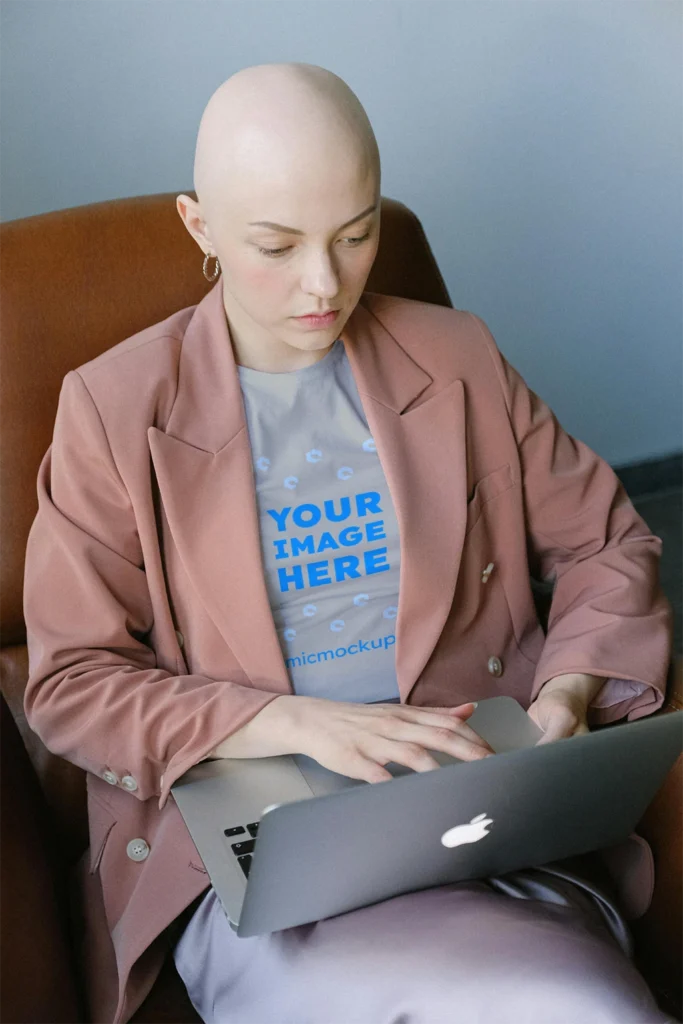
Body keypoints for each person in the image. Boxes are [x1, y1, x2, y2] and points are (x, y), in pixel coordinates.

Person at [22, 62, 675, 1024]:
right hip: (260, 837)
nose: (323, 285)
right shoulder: (115, 410)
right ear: (199, 227)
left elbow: (607, 546)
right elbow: (70, 681)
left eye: (356, 233)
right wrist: (296, 723)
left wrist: (566, 693)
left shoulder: (456, 357)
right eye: (276, 247)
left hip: (477, 807)